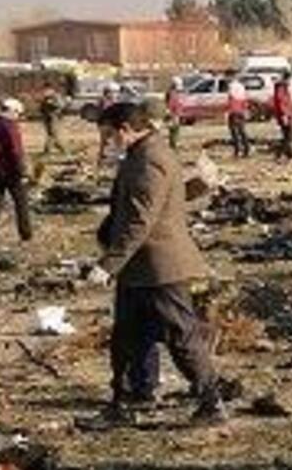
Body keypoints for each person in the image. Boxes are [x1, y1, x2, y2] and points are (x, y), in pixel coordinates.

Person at [89, 101, 224, 427]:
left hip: (159, 267)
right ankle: (137, 393)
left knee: (181, 336)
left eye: (109, 135)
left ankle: (211, 401)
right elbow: (168, 199)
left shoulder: (148, 160)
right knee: (131, 336)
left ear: (125, 130)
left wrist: (108, 264)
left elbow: (141, 220)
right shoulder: (146, 153)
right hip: (140, 268)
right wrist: (202, 185)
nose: (107, 143)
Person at [0, 98, 33, 243]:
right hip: (11, 171)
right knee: (21, 202)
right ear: (13, 111)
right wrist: (22, 171)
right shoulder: (9, 126)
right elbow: (15, 151)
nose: (18, 118)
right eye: (18, 114)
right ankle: (26, 234)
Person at [271, 76, 292, 159]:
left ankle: (289, 153)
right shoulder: (281, 89)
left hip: (288, 114)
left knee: (288, 135)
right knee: (288, 136)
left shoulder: (284, 89)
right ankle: (280, 153)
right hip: (285, 116)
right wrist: (284, 115)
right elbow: (281, 103)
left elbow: (289, 102)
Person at [226, 76, 252, 158]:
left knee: (234, 132)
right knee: (242, 131)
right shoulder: (241, 86)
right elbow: (245, 99)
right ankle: (247, 149)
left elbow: (231, 99)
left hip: (234, 111)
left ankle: (237, 150)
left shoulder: (231, 86)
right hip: (241, 111)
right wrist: (245, 110)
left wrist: (228, 111)